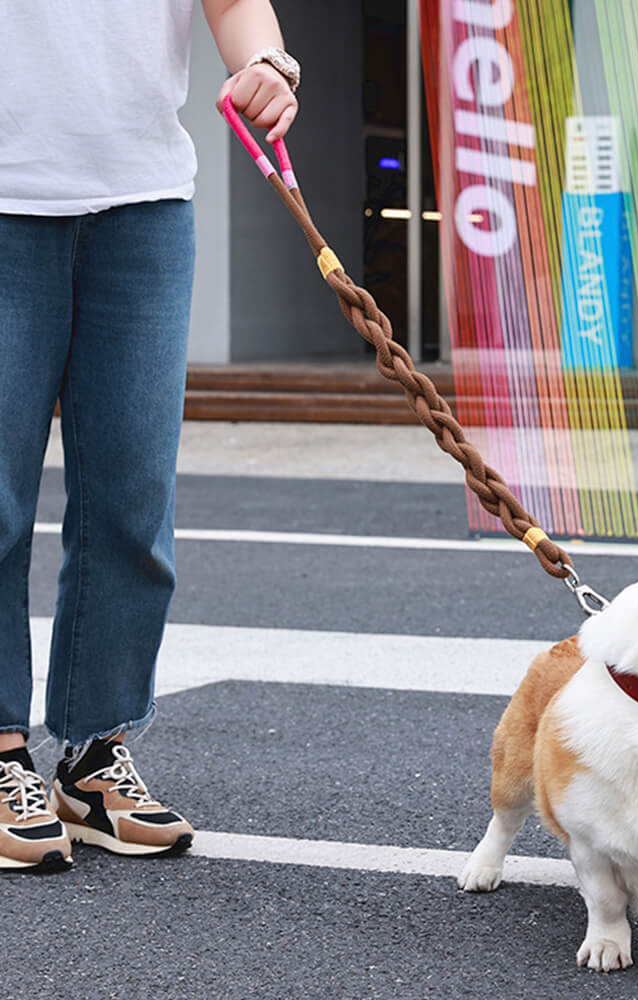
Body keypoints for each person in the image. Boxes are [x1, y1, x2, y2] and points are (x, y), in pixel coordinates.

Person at [0, 0, 299, 871]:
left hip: (145, 206)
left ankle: (94, 755)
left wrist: (271, 67)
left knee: (132, 501)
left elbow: (235, 3)